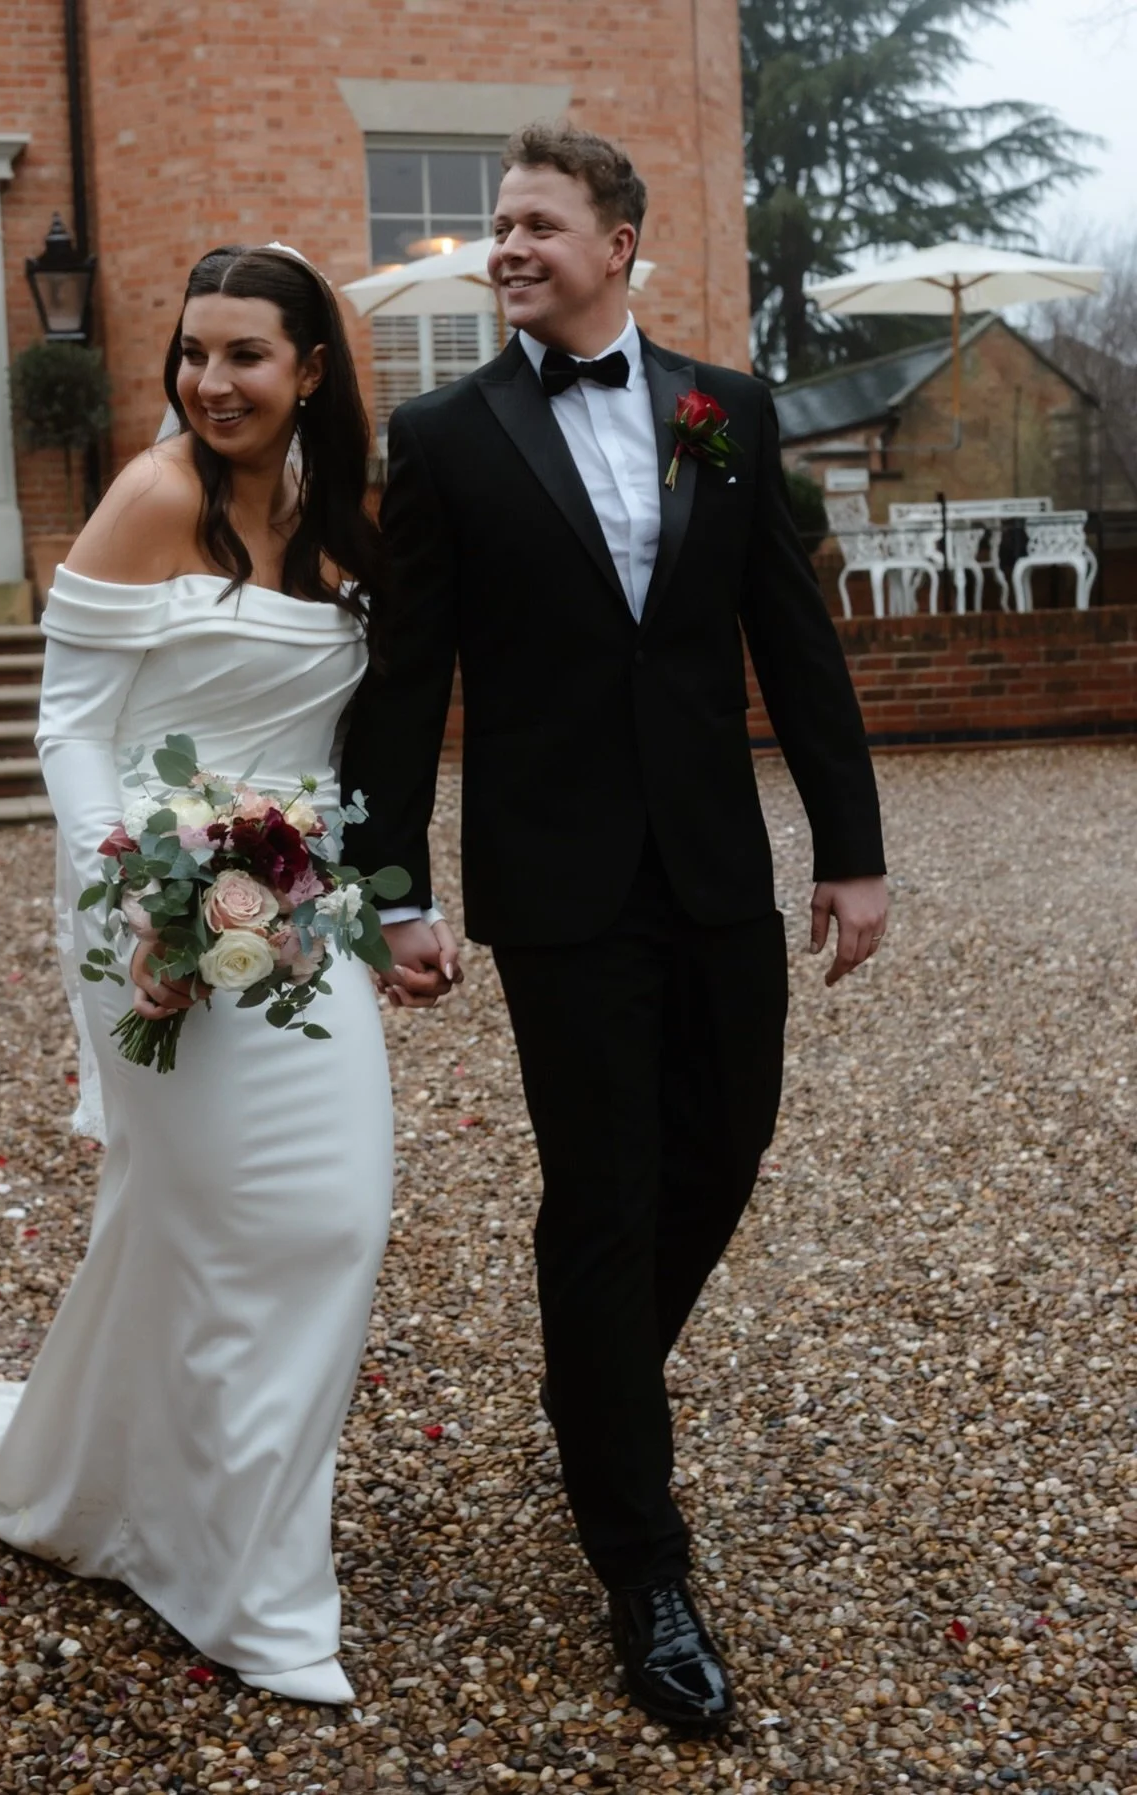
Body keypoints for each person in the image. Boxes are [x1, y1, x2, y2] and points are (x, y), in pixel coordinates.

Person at [340, 124, 888, 1731]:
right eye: (497, 228)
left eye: (532, 224)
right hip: (561, 884)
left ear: (620, 243)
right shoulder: (442, 435)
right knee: (605, 1186)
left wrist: (849, 849)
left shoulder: (725, 407)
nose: (505, 246)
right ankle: (643, 1562)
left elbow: (791, 634)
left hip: (715, 867)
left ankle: (593, 1384)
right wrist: (396, 888)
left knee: (727, 1143)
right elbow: (405, 681)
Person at [0, 244, 458, 1704]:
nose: (210, 382)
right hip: (142, 901)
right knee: (224, 1221)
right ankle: (250, 1583)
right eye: (193, 353)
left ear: (313, 372)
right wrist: (134, 869)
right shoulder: (154, 496)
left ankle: (143, 1493)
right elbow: (72, 718)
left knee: (330, 1210)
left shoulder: (347, 519)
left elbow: (367, 742)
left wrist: (386, 894)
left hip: (295, 899)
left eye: (246, 356)